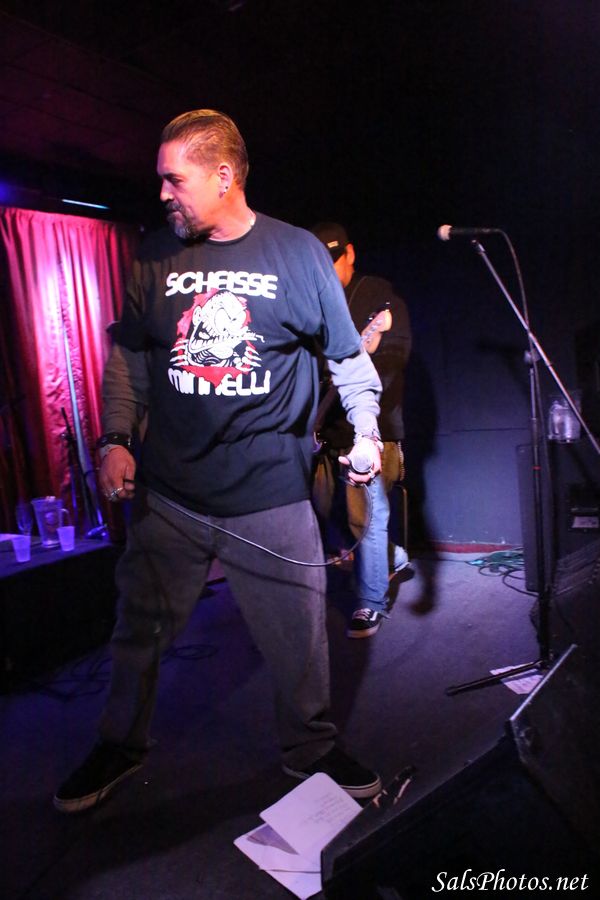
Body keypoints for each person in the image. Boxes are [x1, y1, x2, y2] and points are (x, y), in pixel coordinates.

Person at [53, 110, 386, 814]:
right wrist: (116, 438)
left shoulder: (297, 253)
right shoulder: (154, 255)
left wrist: (365, 430)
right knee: (139, 630)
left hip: (270, 495)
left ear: (224, 176)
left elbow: (347, 358)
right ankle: (120, 743)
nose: (163, 193)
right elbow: (130, 355)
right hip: (171, 495)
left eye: (174, 179)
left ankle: (310, 747)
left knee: (298, 641)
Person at [311, 222, 412, 638]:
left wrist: (366, 421)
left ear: (350, 253)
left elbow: (394, 357)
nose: (328, 269)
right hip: (323, 431)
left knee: (365, 517)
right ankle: (394, 556)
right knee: (318, 511)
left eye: (334, 259)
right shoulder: (314, 303)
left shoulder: (377, 296)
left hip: (370, 431)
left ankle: (371, 601)